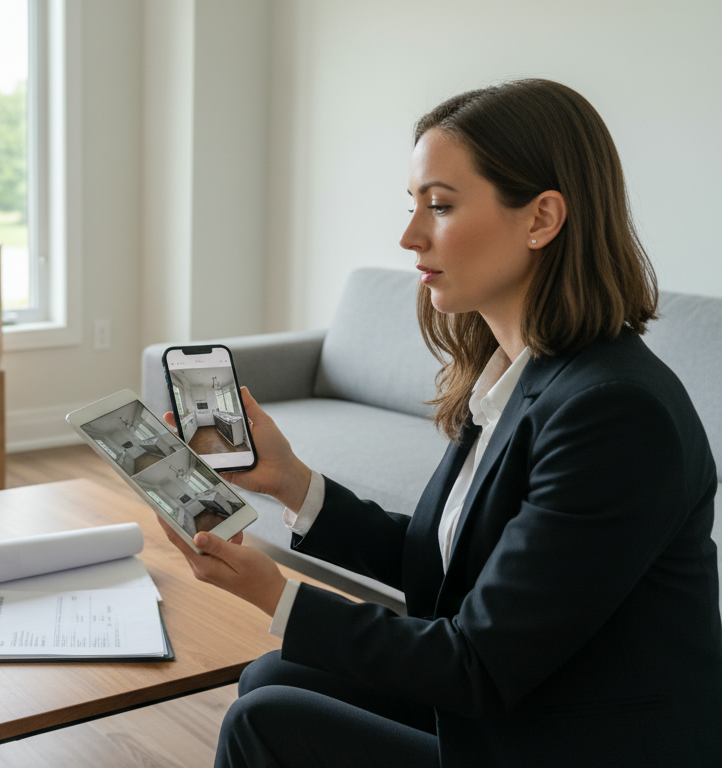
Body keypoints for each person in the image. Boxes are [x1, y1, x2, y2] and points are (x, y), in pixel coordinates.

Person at [159, 79, 722, 767]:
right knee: (272, 679)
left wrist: (272, 592)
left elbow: (475, 663)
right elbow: (448, 561)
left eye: (441, 205)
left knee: (269, 721)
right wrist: (293, 483)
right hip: (525, 696)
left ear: (541, 218)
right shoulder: (514, 374)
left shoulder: (615, 414)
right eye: (414, 204)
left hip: (579, 740)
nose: (409, 234)